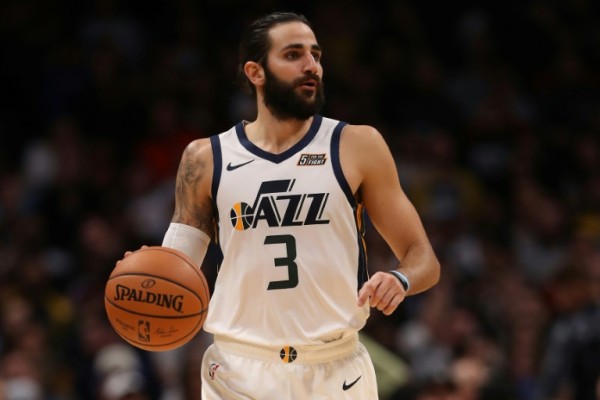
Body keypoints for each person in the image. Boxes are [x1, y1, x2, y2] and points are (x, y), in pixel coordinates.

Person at [126, 11, 440, 399]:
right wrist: (147, 276)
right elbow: (175, 268)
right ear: (255, 72)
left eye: (316, 55)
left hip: (335, 369)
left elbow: (424, 258)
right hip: (238, 372)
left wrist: (400, 279)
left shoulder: (358, 145)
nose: (311, 66)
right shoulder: (205, 158)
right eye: (293, 54)